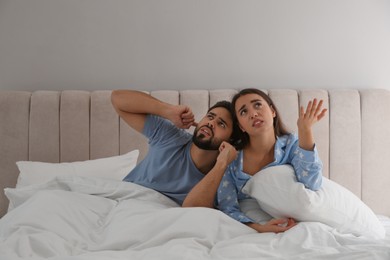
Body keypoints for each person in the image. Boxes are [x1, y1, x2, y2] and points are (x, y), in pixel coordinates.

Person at [183, 88, 327, 233]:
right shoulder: (232, 161)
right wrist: (260, 228)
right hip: (255, 225)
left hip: (296, 220)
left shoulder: (291, 145)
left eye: (257, 105)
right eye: (243, 112)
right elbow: (227, 208)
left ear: (272, 111)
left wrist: (305, 131)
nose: (253, 114)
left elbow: (312, 183)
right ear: (241, 126)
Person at [111, 90, 239, 205]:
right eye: (210, 117)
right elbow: (117, 98)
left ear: (231, 140)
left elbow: (193, 208)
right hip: (123, 203)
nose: (211, 123)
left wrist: (221, 164)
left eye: (221, 124)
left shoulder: (221, 175)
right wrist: (168, 110)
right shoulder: (170, 135)